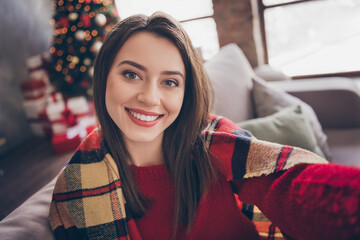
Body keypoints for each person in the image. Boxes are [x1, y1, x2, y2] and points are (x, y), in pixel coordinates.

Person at [49, 12, 360, 240]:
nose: (150, 97)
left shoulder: (218, 141)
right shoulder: (77, 184)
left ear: (187, 93)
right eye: (131, 74)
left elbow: (289, 183)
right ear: (105, 78)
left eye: (170, 82)